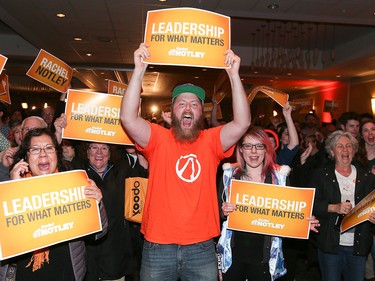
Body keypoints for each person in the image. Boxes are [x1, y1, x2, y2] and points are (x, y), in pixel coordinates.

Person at [120, 43, 251, 281]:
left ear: (201, 112)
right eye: (182, 103)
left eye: (194, 104)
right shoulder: (158, 137)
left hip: (200, 247)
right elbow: (128, 118)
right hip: (157, 246)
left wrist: (233, 75)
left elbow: (242, 123)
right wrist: (139, 71)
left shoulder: (212, 140)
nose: (188, 107)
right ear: (173, 110)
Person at [0, 128, 108, 281]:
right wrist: (12, 191)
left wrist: (97, 205)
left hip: (66, 274)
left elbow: (100, 233)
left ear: (57, 155)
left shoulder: (74, 185)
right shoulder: (7, 188)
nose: (43, 154)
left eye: (49, 148)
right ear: (25, 157)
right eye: (35, 149)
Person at [220, 127, 319, 281]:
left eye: (259, 146)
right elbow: (216, 211)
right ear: (241, 150)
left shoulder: (280, 177)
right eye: (248, 146)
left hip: (264, 258)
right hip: (233, 256)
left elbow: (288, 213)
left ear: (266, 149)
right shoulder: (229, 175)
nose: (254, 151)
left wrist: (302, 223)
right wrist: (223, 210)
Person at [310, 130, 375, 281]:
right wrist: (333, 207)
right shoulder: (320, 175)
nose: (345, 150)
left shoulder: (367, 177)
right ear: (331, 151)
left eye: (349, 146)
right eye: (340, 146)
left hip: (358, 245)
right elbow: (310, 204)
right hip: (330, 243)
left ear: (354, 149)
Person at [84, 142, 143, 281]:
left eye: (104, 148)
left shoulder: (122, 172)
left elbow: (141, 177)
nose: (99, 152)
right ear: (87, 152)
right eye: (94, 147)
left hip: (115, 256)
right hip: (88, 257)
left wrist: (135, 151)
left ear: (110, 154)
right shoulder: (78, 175)